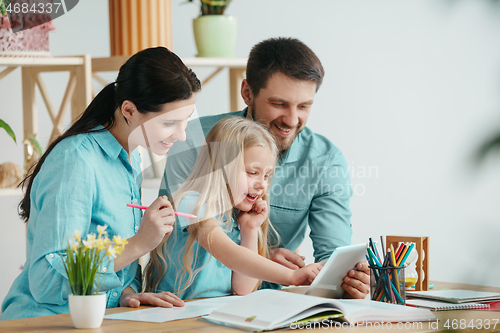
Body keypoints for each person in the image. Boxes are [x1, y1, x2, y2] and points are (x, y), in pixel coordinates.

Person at [160, 37, 370, 299]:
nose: (292, 120)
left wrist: (350, 278)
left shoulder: (326, 159)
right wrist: (266, 260)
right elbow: (180, 234)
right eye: (279, 104)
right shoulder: (191, 139)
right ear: (248, 92)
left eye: (304, 106)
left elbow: (332, 259)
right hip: (186, 300)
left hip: (261, 299)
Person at [0, 47, 200, 320]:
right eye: (169, 123)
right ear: (129, 110)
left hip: (97, 319)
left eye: (185, 122)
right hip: (44, 320)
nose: (181, 135)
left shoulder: (131, 156)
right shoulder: (75, 160)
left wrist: (126, 293)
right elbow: (46, 282)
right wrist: (139, 244)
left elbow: (111, 258)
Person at [144, 117, 323, 299]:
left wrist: (249, 229)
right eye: (253, 173)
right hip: (176, 314)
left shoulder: (234, 217)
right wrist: (291, 276)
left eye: (267, 176)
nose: (262, 184)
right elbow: (231, 255)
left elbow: (242, 287)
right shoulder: (192, 204)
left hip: (212, 312)